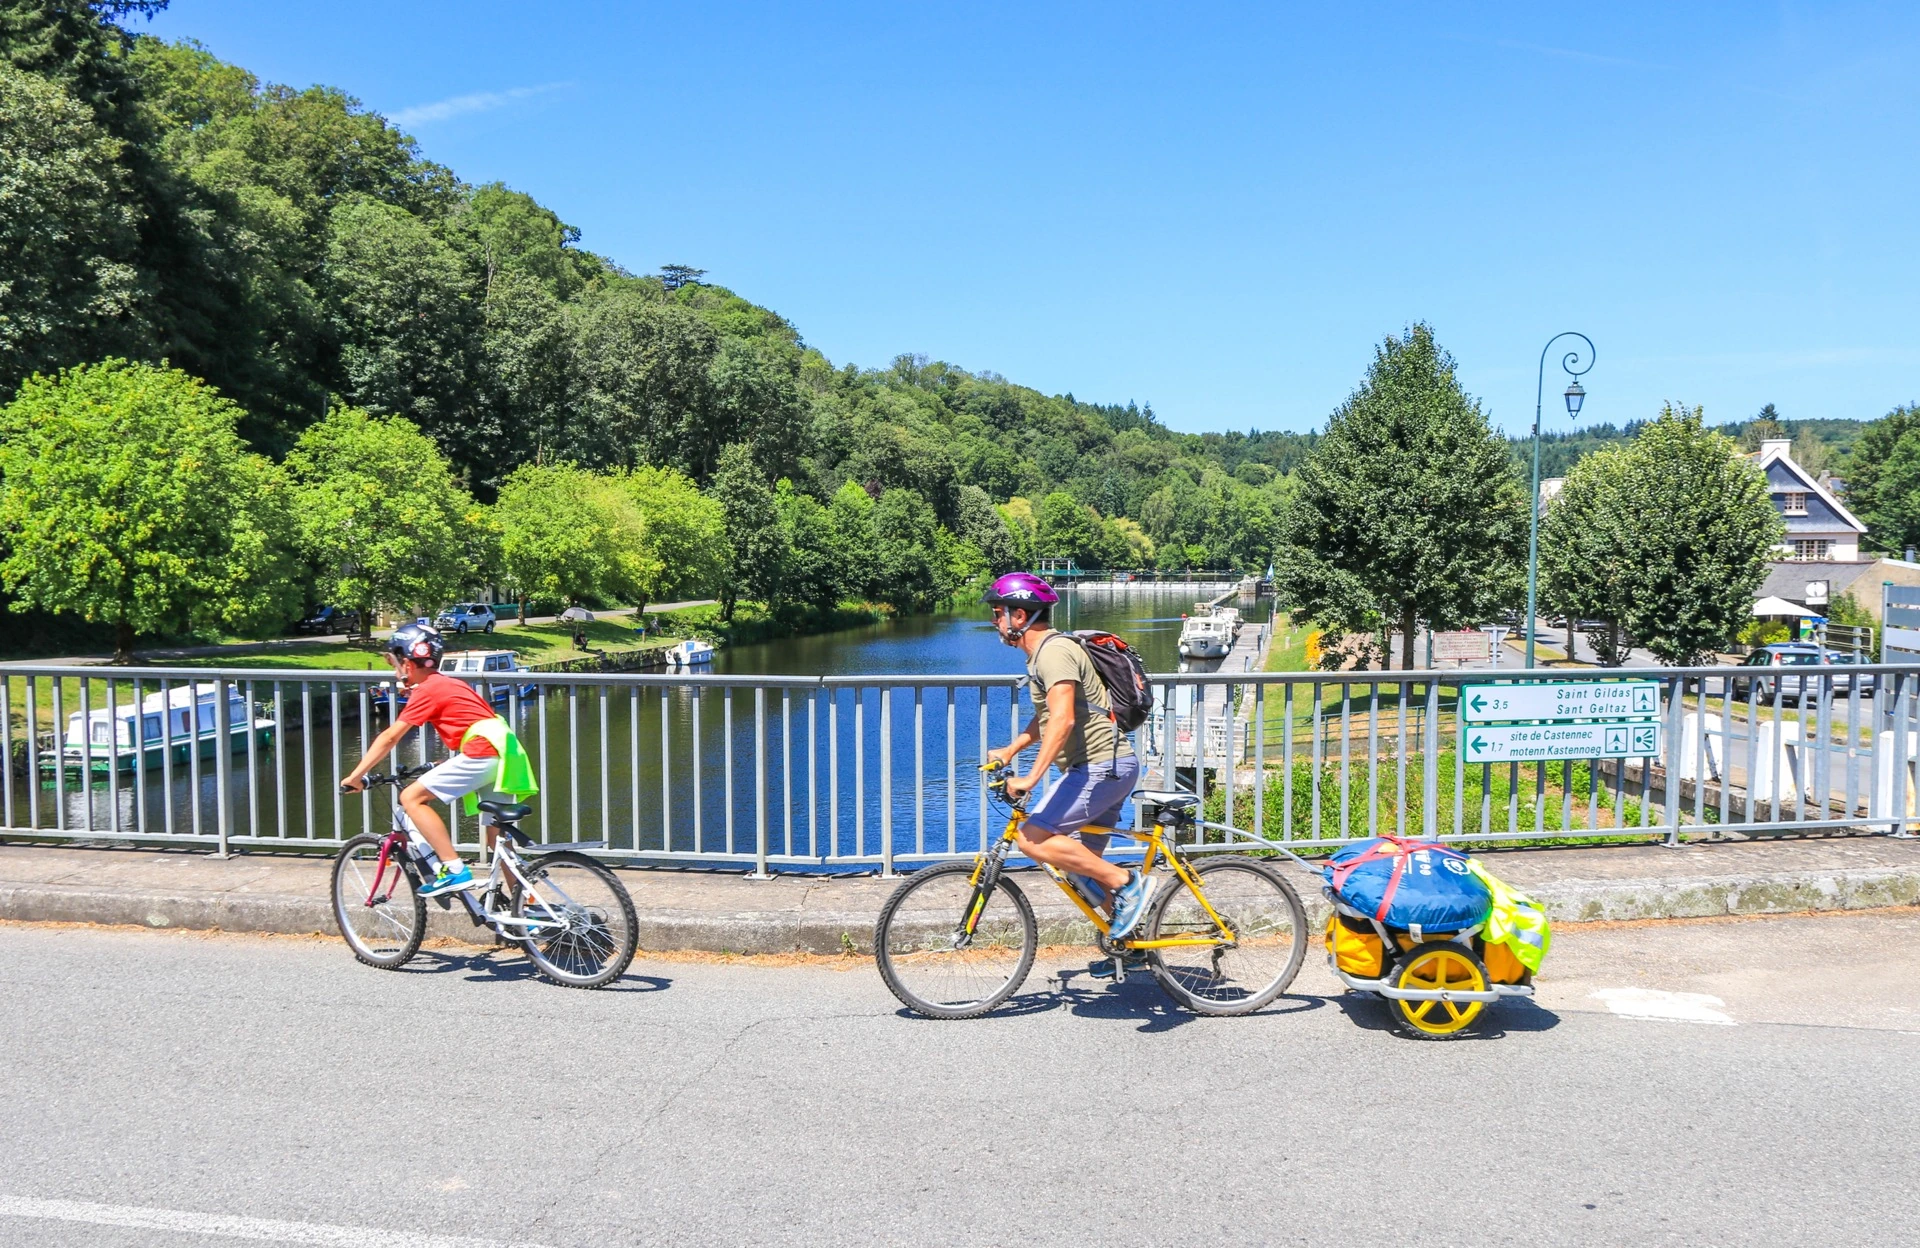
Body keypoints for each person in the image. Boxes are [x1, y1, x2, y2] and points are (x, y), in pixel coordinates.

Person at [982, 572, 1153, 945]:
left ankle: (1129, 883)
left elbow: (1064, 718)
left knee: (1032, 839)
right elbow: (1048, 717)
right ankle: (1133, 946)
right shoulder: (1044, 654)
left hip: (1100, 768)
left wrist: (1029, 778)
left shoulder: (1054, 652)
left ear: (1020, 616)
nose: (995, 622)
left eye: (998, 613)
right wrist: (1011, 750)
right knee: (1081, 871)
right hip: (1104, 767)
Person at [340, 623, 535, 897]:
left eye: (396, 663)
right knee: (497, 838)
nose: (396, 670)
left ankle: (455, 870)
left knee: (410, 798)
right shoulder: (450, 683)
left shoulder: (427, 689)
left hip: (482, 753)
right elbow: (469, 722)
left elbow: (390, 737)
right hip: (502, 755)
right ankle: (528, 907)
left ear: (407, 663)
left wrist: (356, 775)